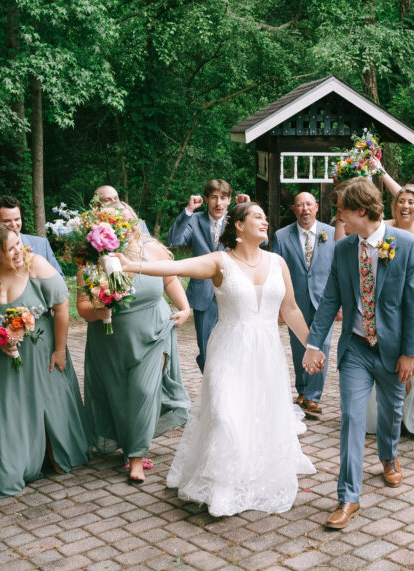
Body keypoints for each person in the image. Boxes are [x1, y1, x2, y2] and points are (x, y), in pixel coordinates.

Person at [116, 202, 315, 517]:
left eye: (266, 217)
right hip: (229, 350)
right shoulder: (219, 262)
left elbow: (290, 309)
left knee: (257, 414)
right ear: (239, 225)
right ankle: (221, 488)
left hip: (266, 354)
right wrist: (131, 266)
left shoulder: (277, 262)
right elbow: (176, 268)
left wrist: (311, 346)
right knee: (224, 415)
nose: (266, 221)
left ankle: (250, 474)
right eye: (258, 217)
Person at [303, 178, 414, 530]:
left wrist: (410, 353)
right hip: (356, 347)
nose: (336, 215)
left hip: (394, 350)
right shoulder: (343, 249)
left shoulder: (407, 245)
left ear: (361, 210)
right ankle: (348, 496)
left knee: (391, 412)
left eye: (341, 208)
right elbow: (330, 299)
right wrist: (314, 343)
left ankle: (389, 456)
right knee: (352, 420)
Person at [0, 224, 91, 498]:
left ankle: (56, 455)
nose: (20, 251)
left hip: (42, 349)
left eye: (18, 243)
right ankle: (13, 469)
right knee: (7, 409)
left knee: (50, 402)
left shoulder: (37, 265)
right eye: (10, 249)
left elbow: (61, 305)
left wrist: (59, 349)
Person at [77, 206, 191, 482]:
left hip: (154, 329)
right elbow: (82, 305)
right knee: (118, 394)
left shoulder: (154, 250)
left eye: (126, 219)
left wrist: (185, 308)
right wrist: (98, 311)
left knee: (143, 390)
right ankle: (130, 444)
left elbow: (170, 279)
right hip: (111, 336)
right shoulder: (92, 259)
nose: (123, 226)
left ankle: (136, 456)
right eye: (114, 222)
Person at [364, 179, 414, 437]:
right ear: (394, 205)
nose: (405, 206)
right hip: (384, 307)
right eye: (401, 201)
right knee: (385, 356)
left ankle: (413, 413)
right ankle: (384, 415)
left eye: (411, 202)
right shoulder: (382, 230)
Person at [166, 180, 249, 372]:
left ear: (229, 201)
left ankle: (231, 386)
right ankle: (211, 385)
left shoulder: (238, 218)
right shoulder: (194, 220)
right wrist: (188, 211)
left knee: (235, 345)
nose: (218, 203)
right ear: (206, 199)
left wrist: (247, 210)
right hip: (203, 293)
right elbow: (173, 240)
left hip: (233, 292)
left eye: (223, 198)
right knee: (206, 349)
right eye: (214, 198)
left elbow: (261, 241)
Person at [271, 191, 335, 419]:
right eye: (300, 205)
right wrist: (278, 304)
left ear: (316, 207)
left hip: (325, 302)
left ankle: (313, 397)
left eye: (309, 204)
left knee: (321, 346)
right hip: (293, 302)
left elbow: (339, 270)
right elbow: (274, 270)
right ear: (294, 209)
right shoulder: (281, 235)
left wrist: (341, 304)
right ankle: (302, 390)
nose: (305, 209)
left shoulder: (332, 233)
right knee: (299, 346)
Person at [0, 195, 61, 272]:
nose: (13, 225)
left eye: (17, 219)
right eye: (7, 221)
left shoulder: (42, 244)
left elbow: (59, 277)